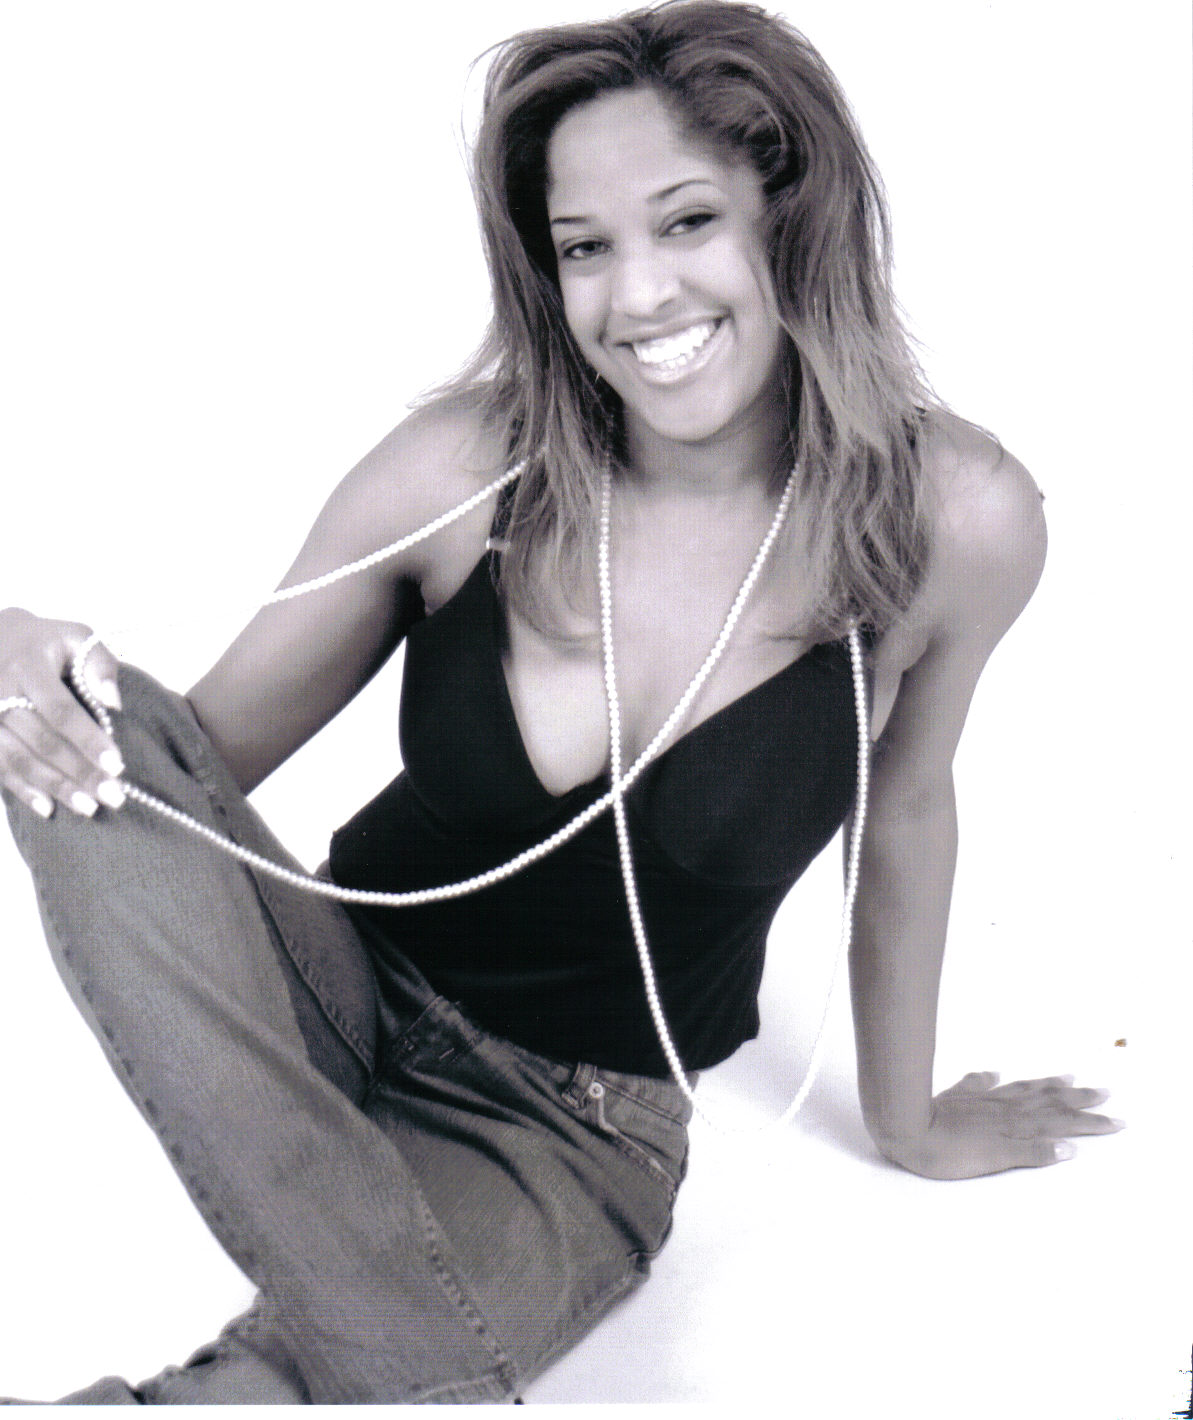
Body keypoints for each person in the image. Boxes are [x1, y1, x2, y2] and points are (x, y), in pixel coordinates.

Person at [0, 0, 1121, 1405]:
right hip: (324, 993)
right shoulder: (465, 470)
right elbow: (182, 774)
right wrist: (18, 659)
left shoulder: (954, 518)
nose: (636, 296)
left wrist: (909, 1124)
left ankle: (341, 1303)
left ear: (792, 215)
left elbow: (904, 811)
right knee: (69, 739)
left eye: (687, 221)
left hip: (572, 1133)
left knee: (356, 1370)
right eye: (585, 247)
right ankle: (368, 1281)